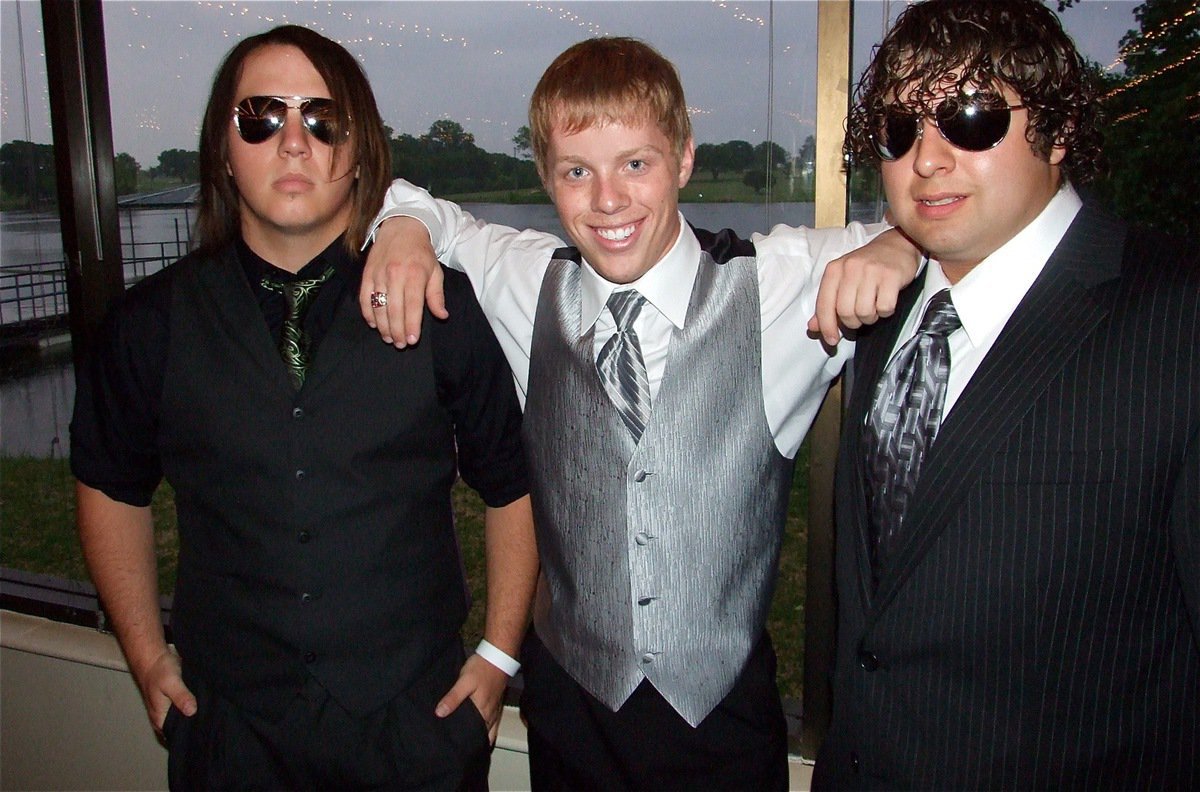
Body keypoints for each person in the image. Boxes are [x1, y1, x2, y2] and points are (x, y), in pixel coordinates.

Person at [359, 37, 920, 790]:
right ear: (547, 179)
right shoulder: (529, 281)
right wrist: (403, 228)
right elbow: (427, 211)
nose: (608, 200)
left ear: (683, 159)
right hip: (568, 715)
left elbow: (950, 222)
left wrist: (901, 244)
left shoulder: (776, 286)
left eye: (635, 163)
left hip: (724, 728)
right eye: (576, 172)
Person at [70, 25, 537, 790]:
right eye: (261, 116)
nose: (293, 142)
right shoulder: (148, 326)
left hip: (412, 726)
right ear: (223, 149)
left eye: (324, 120)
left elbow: (512, 485)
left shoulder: (444, 310)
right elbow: (110, 487)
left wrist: (498, 653)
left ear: (359, 153)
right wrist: (146, 655)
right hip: (230, 731)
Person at [815, 1, 1200, 788]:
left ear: (1058, 130)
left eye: (972, 118)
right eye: (900, 129)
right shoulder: (888, 306)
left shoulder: (1177, 319)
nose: (927, 160)